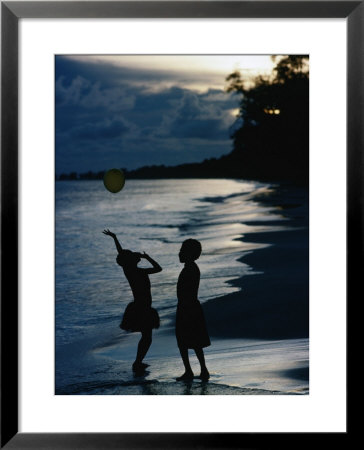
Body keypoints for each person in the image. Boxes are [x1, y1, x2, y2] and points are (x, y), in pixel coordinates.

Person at [103, 229, 162, 373]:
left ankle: (138, 362)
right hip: (142, 307)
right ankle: (137, 363)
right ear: (130, 261)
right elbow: (158, 268)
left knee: (146, 337)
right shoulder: (134, 271)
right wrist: (147, 257)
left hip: (143, 306)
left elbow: (158, 268)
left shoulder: (133, 271)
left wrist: (115, 237)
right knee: (147, 337)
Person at [175, 238, 210, 381]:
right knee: (191, 340)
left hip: (187, 307)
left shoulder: (191, 268)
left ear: (189, 254)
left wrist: (184, 306)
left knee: (186, 340)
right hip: (189, 306)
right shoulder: (191, 267)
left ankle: (193, 370)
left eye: (182, 251)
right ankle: (198, 370)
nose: (179, 254)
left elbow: (186, 290)